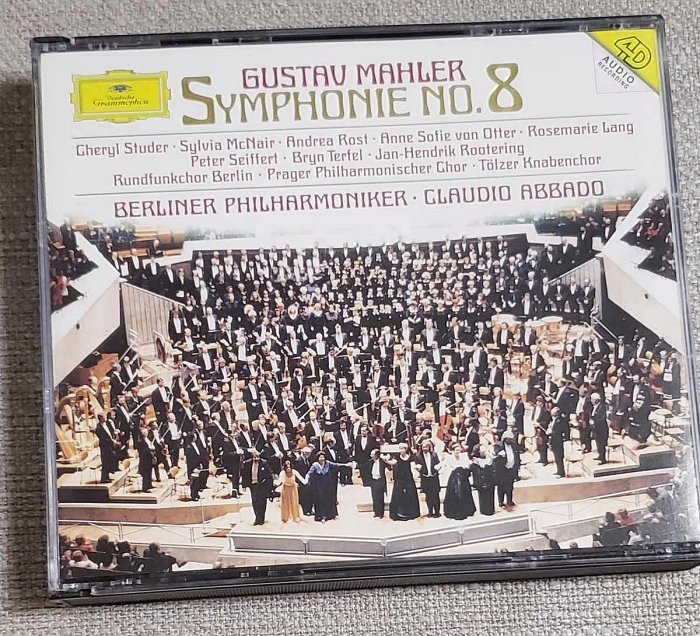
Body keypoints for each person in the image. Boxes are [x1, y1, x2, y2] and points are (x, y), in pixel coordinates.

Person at [306, 452, 353, 522]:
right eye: (320, 457)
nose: (322, 459)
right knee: (320, 500)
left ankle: (329, 515)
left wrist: (346, 465)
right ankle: (320, 516)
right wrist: (306, 477)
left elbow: (336, 465)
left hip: (327, 485)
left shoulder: (327, 463)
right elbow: (309, 473)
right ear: (318, 458)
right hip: (319, 486)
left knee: (328, 499)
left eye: (323, 457)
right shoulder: (315, 465)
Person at [439, 444, 476, 520]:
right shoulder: (449, 457)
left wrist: (466, 465)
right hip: (454, 477)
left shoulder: (464, 456)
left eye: (459, 450)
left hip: (463, 477)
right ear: (452, 451)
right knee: (455, 493)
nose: (458, 452)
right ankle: (455, 512)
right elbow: (443, 464)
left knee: (465, 493)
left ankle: (466, 510)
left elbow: (468, 464)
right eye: (456, 450)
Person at [385, 443, 420, 521]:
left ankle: (411, 513)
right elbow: (393, 462)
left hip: (408, 478)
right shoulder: (397, 456)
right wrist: (386, 460)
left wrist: (417, 467)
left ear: (406, 449)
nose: (401, 450)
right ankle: (399, 513)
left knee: (410, 494)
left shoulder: (410, 457)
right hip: (399, 478)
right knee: (398, 495)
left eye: (403, 448)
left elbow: (413, 465)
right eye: (400, 448)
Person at [241, 450, 273, 525]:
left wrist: (270, 487)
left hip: (262, 485)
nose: (256, 459)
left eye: (257, 457)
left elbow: (269, 475)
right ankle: (257, 517)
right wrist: (244, 485)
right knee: (255, 502)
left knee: (262, 502)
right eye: (254, 457)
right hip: (253, 485)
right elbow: (244, 475)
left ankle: (261, 518)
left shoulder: (264, 463)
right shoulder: (247, 463)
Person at [415, 439, 442, 517]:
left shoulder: (434, 454)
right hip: (425, 478)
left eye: (426, 447)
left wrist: (438, 467)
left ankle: (437, 512)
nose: (425, 448)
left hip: (434, 477)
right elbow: (417, 465)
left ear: (429, 447)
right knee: (428, 496)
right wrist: (418, 468)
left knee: (436, 495)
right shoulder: (418, 456)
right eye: (423, 447)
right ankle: (430, 512)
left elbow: (438, 463)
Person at [493, 432, 519, 508]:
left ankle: (509, 501)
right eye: (509, 439)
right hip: (502, 470)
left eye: (511, 439)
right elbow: (495, 454)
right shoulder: (499, 445)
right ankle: (501, 502)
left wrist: (517, 465)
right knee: (501, 486)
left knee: (510, 486)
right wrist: (499, 454)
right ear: (505, 439)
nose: (510, 441)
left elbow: (516, 455)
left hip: (511, 469)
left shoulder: (513, 445)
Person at [471, 445, 496, 516]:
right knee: (482, 496)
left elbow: (492, 462)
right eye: (482, 449)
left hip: (489, 479)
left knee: (490, 495)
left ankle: (490, 510)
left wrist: (489, 454)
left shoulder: (488, 458)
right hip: (481, 480)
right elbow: (476, 470)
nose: (484, 450)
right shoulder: (475, 459)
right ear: (478, 451)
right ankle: (484, 510)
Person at [367, 448, 390, 518]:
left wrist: (388, 461)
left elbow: (389, 467)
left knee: (380, 498)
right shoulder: (370, 462)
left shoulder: (382, 461)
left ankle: (381, 513)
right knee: (374, 497)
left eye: (372, 454)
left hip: (380, 481)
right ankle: (376, 512)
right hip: (373, 481)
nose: (371, 456)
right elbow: (364, 466)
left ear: (377, 455)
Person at [591, 393, 609, 464]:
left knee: (601, 443)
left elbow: (601, 418)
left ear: (596, 400)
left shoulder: (601, 407)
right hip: (596, 427)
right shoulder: (595, 406)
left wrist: (594, 422)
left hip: (601, 428)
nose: (591, 400)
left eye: (592, 399)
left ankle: (603, 459)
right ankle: (600, 455)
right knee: (598, 442)